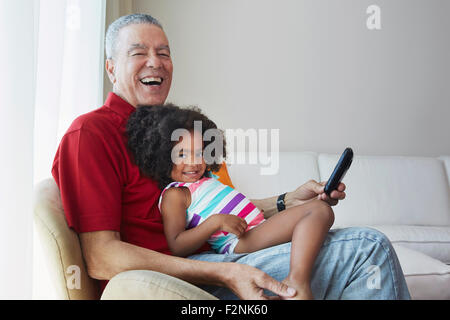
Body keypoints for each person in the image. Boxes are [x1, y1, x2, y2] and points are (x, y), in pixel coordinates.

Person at [51, 13, 411, 299]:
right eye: (138, 52)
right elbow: (101, 257)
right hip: (178, 281)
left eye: (163, 52)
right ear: (111, 67)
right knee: (366, 249)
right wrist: (225, 271)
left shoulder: (167, 129)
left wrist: (286, 201)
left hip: (211, 258)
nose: (155, 63)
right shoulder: (91, 134)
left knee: (330, 233)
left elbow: (213, 207)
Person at [126, 104, 336, 299]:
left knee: (320, 209)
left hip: (257, 229)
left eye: (199, 153)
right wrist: (215, 222)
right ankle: (298, 280)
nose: (193, 161)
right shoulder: (176, 194)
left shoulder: (208, 180)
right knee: (318, 210)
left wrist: (287, 202)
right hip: (241, 241)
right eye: (181, 154)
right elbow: (177, 245)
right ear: (163, 158)